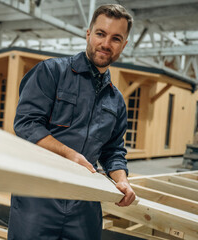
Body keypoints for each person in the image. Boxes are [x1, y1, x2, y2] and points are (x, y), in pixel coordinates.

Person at [8, 4, 136, 240]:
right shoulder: (50, 73)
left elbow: (113, 151)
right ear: (88, 34)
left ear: (124, 45)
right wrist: (69, 154)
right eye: (100, 34)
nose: (106, 44)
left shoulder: (116, 100)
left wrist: (122, 181)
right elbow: (27, 125)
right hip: (38, 198)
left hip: (85, 203)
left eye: (116, 38)